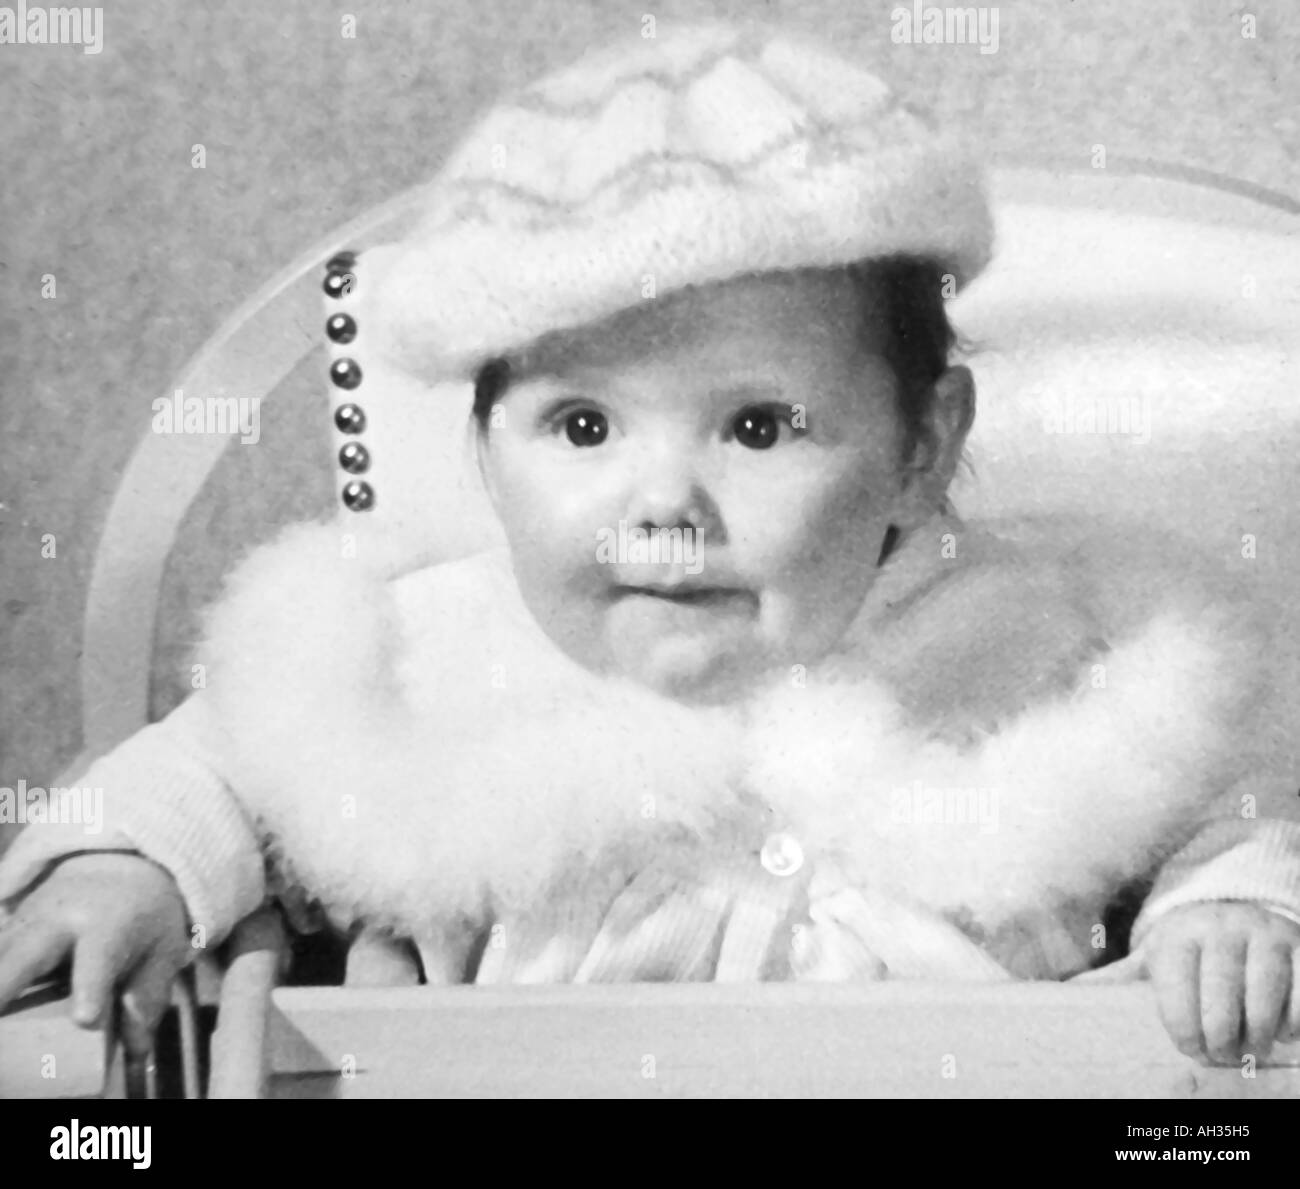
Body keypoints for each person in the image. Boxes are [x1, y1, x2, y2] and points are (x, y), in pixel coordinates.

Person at [2, 22, 1298, 1069]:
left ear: (921, 442)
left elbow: (1213, 817)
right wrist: (134, 859)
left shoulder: (1039, 635)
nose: (663, 502)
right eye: (580, 425)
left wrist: (1224, 916)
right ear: (482, 451)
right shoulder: (437, 645)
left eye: (756, 423)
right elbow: (233, 752)